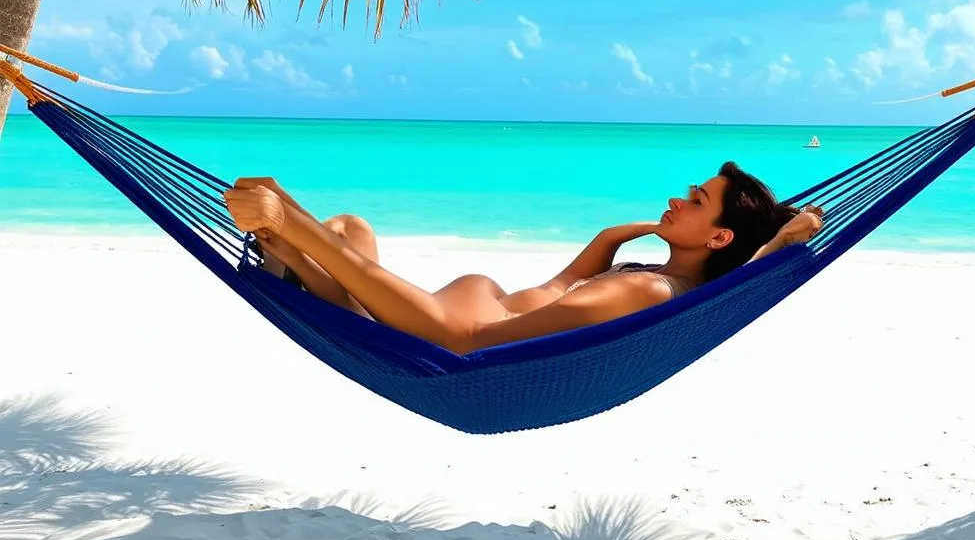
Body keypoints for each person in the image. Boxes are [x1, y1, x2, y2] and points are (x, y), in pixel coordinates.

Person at [223, 162, 822, 356]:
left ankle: (289, 238)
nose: (676, 199)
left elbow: (476, 339)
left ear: (720, 240)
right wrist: (624, 233)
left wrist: (777, 245)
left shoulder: (651, 295)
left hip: (454, 333)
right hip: (455, 314)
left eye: (695, 202)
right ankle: (295, 258)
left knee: (331, 235)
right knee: (352, 227)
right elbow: (564, 282)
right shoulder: (650, 275)